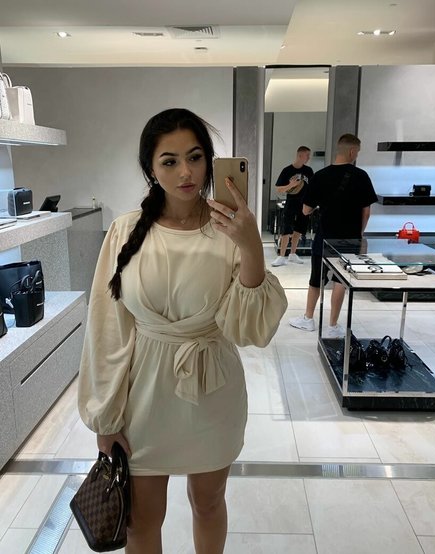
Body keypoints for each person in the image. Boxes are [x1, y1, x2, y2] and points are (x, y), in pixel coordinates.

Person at [77, 108, 287, 554]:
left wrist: (251, 245)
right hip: (143, 397)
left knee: (208, 503)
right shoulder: (124, 232)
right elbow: (106, 330)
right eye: (169, 161)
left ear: (209, 161)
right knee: (141, 520)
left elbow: (249, 328)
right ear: (150, 170)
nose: (186, 172)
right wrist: (105, 416)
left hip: (213, 391)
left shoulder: (230, 230)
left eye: (194, 157)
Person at [289, 134, 377, 337]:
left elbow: (305, 210)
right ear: (352, 151)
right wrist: (359, 234)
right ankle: (332, 326)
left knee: (316, 278)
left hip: (324, 236)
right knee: (340, 280)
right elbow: (366, 212)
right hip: (349, 239)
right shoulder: (361, 176)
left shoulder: (320, 176)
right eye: (358, 152)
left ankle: (308, 318)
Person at [271, 146, 314, 267]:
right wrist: (291, 185)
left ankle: (293, 254)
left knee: (299, 229)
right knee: (286, 229)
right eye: (307, 155)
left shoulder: (309, 171)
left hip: (304, 204)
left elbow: (313, 187)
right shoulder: (287, 170)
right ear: (300, 155)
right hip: (291, 203)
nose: (308, 158)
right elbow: (279, 189)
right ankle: (281, 256)